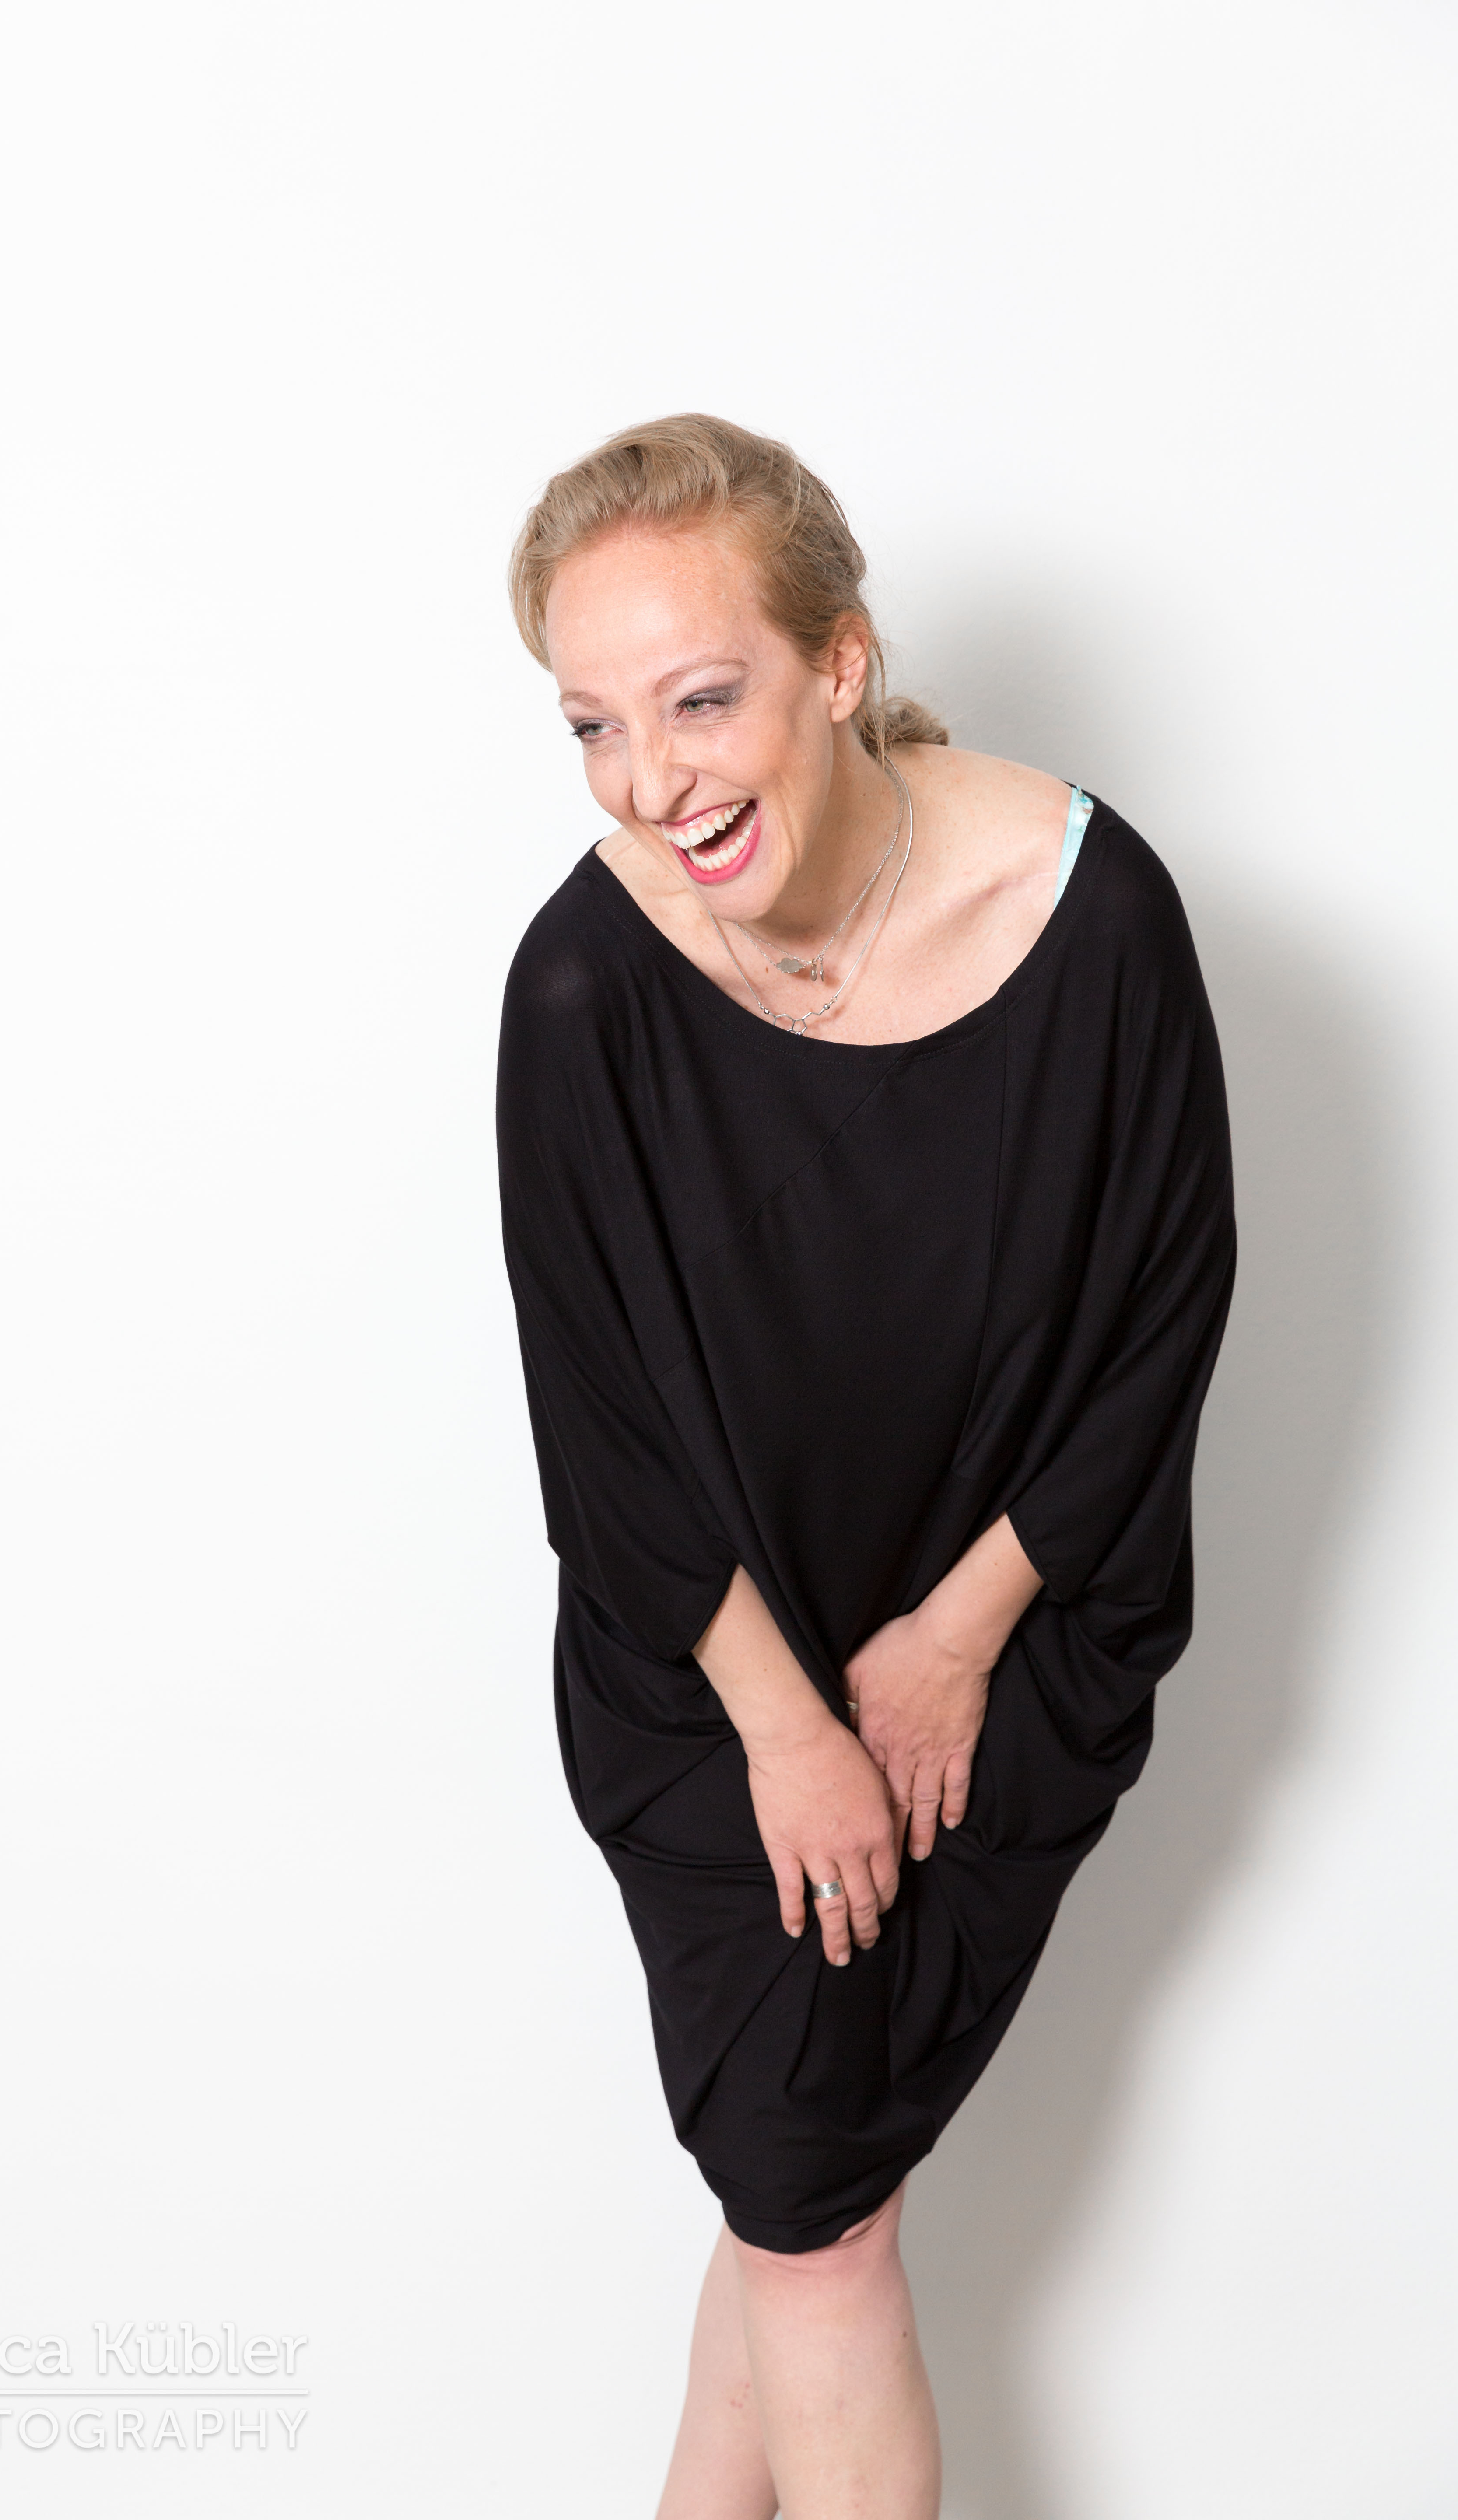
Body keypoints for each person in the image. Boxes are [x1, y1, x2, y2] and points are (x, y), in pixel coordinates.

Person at [495, 413, 1235, 2520]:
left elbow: (1165, 1308)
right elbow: (601, 1433)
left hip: (1006, 1635)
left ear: (839, 663)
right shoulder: (581, 985)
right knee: (819, 2227)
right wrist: (789, 1728)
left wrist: (956, 1640)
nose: (652, 782)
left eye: (699, 699)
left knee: (795, 2207)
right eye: (593, 724)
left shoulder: (1093, 916)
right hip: (708, 1674)